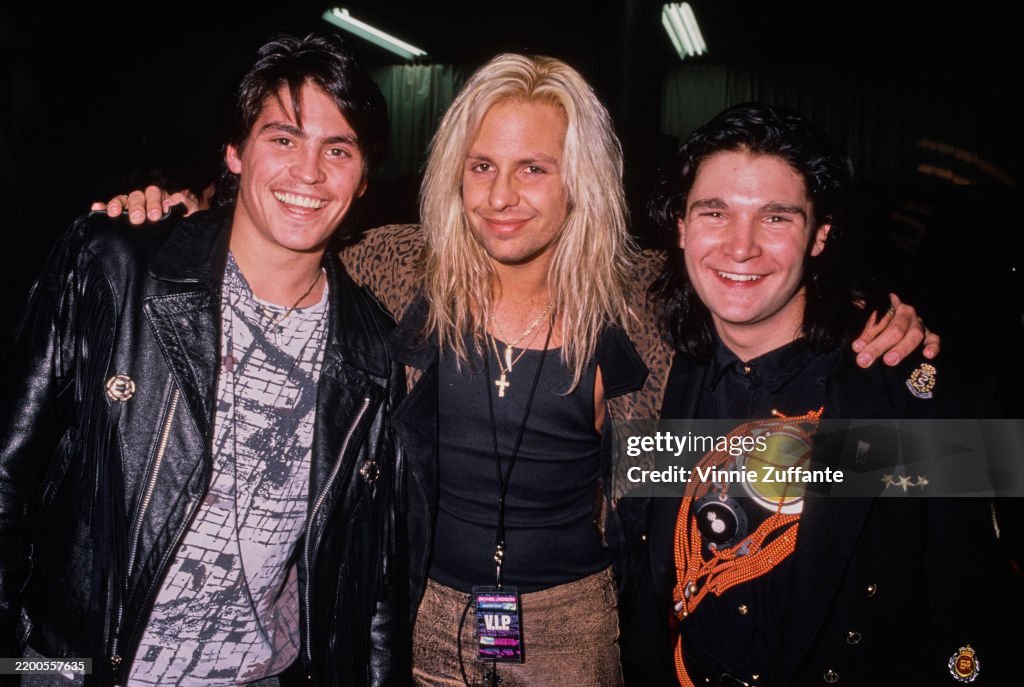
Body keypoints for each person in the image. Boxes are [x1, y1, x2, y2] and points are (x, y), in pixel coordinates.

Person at [95, 57, 934, 686]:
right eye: (482, 166)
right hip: (415, 613)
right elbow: (277, 237)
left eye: (534, 167)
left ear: (582, 181)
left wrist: (892, 341)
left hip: (575, 626)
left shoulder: (647, 298)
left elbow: (757, 300)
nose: (503, 195)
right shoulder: (393, 268)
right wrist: (171, 224)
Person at [0, 34, 404, 686]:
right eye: (282, 139)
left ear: (362, 181)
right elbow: (6, 480)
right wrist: (23, 666)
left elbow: (373, 573)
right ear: (234, 154)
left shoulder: (371, 350)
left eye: (339, 149)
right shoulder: (115, 269)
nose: (309, 171)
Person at [621, 102, 1012, 686]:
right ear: (680, 225)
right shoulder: (654, 376)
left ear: (820, 234)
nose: (740, 246)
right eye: (714, 212)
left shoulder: (903, 386)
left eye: (776, 218)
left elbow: (973, 608)